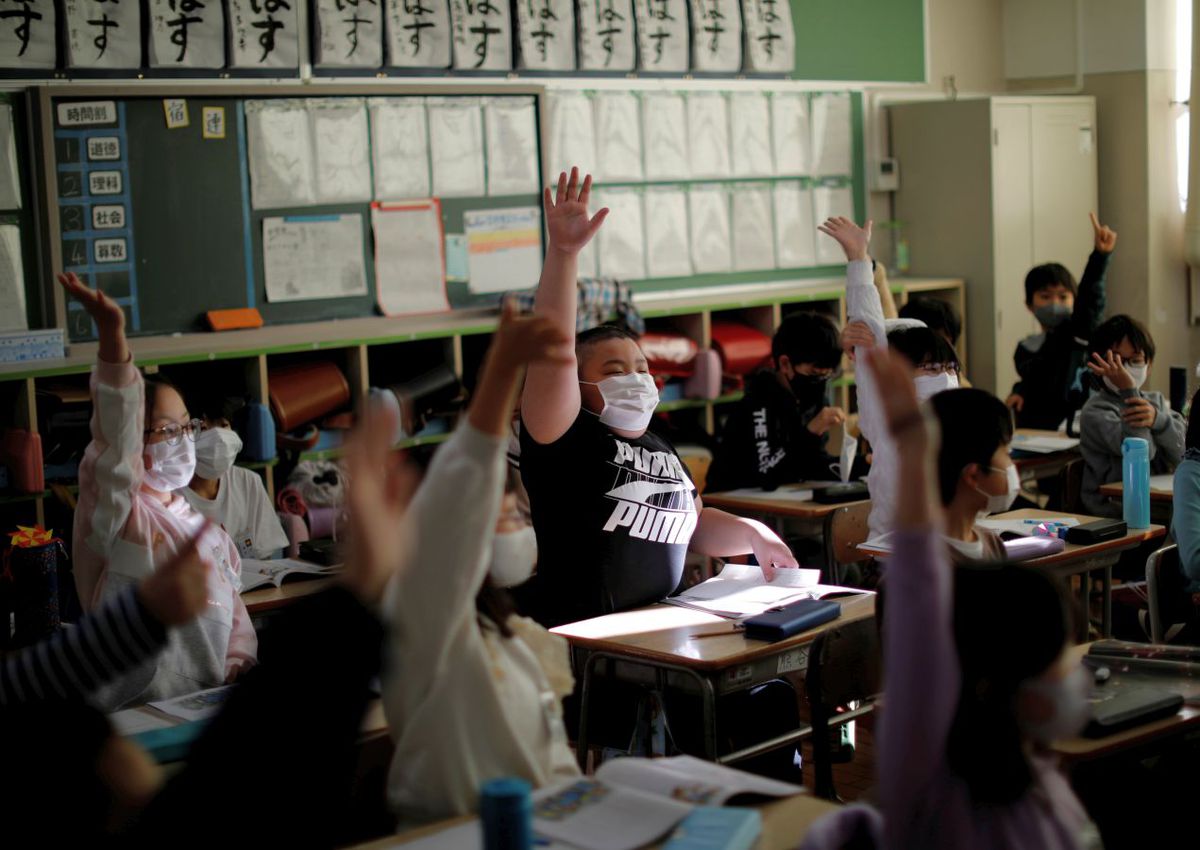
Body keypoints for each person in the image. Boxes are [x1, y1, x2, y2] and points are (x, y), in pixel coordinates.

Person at [802, 346, 1100, 850]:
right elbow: (919, 590)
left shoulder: (988, 544)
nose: (1074, 676)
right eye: (1004, 454)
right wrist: (913, 446)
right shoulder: (940, 777)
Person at [516, 168, 798, 628]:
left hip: (661, 629)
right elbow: (554, 352)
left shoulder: (661, 447)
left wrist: (754, 533)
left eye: (642, 368)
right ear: (578, 386)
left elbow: (693, 523)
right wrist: (564, 255)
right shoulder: (564, 438)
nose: (636, 378)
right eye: (614, 370)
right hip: (589, 642)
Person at [383, 304, 581, 826]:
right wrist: (499, 376)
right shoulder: (421, 608)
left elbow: (551, 757)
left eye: (518, 514)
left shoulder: (508, 631)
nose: (515, 526)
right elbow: (463, 487)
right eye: (499, 515)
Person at [60, 272, 256, 708]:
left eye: (187, 425)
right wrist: (113, 338)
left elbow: (235, 616)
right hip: (133, 713)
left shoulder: (208, 533)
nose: (184, 439)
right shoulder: (119, 514)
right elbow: (116, 438)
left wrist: (237, 665)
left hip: (203, 704)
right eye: (167, 430)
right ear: (135, 439)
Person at [821, 216, 961, 540]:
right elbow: (869, 324)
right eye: (928, 369)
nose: (942, 377)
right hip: (895, 557)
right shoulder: (889, 420)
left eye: (947, 368)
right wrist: (858, 259)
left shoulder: (956, 423)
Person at [707, 311, 865, 492]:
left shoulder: (814, 399)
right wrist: (810, 432)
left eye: (827, 375)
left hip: (775, 502)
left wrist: (863, 463)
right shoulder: (759, 402)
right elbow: (767, 474)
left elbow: (812, 464)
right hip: (731, 502)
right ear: (784, 364)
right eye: (814, 374)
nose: (820, 382)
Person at [1007, 213, 1117, 431]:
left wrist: (1100, 257)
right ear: (1029, 304)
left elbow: (1091, 299)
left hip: (1080, 430)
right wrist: (1019, 390)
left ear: (1074, 300)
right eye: (1045, 297)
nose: (1055, 303)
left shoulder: (1080, 333)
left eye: (1063, 296)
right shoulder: (1026, 348)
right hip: (1040, 433)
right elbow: (1039, 376)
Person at [1079, 315, 1185, 517]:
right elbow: (1143, 453)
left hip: (1159, 504)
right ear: (1097, 363)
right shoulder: (1094, 411)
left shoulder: (1156, 402)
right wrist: (1128, 389)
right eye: (1116, 360)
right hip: (1114, 510)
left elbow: (1185, 453)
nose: (1125, 370)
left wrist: (1158, 420)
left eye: (1135, 360)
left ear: (1149, 364)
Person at [182, 395, 288, 560]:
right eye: (203, 428)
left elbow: (266, 558)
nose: (217, 436)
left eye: (224, 425)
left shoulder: (248, 482)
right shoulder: (171, 495)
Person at [928, 389, 1016, 562]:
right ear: (973, 476)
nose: (1012, 466)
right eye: (1006, 453)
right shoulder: (923, 565)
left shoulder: (992, 544)